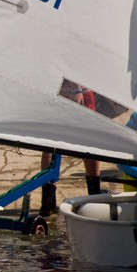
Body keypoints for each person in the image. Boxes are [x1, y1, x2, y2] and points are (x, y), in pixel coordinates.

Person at [40, 82, 100, 216]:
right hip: (76, 90)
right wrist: (76, 90)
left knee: (49, 143)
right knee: (88, 142)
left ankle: (47, 202)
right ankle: (95, 195)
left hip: (55, 89)